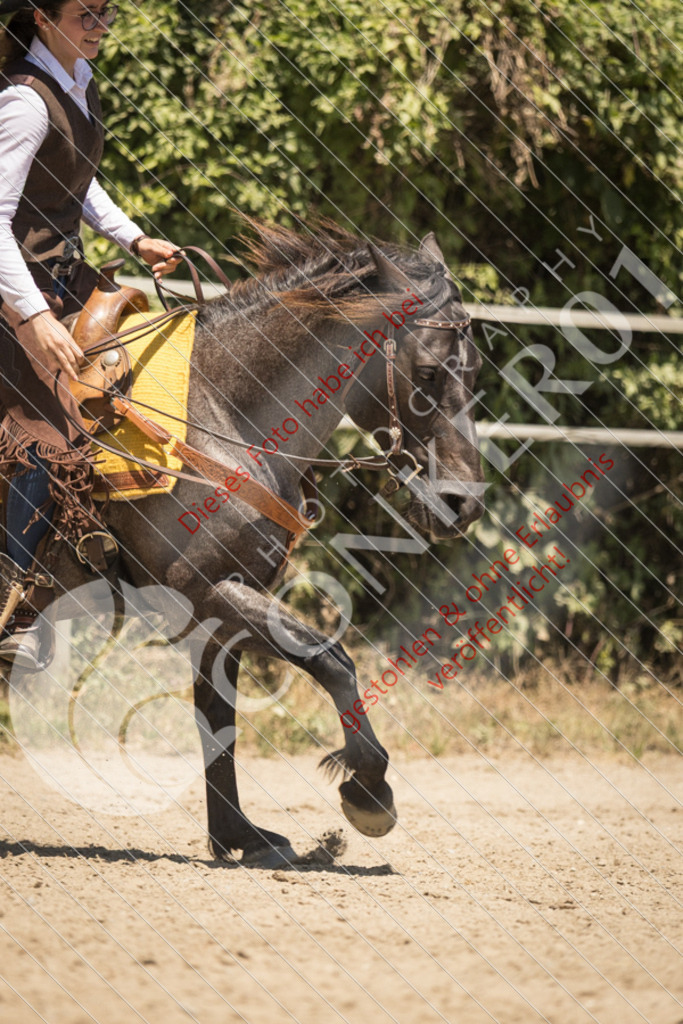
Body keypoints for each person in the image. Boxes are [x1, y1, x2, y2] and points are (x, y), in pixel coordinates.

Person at [0, 0, 181, 668]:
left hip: (59, 277)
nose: (100, 24)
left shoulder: (76, 82)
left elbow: (77, 183)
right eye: (85, 13)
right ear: (42, 18)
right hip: (16, 290)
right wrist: (34, 318)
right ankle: (12, 602)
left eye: (107, 12)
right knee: (47, 430)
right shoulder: (24, 100)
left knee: (131, 375)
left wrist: (134, 237)